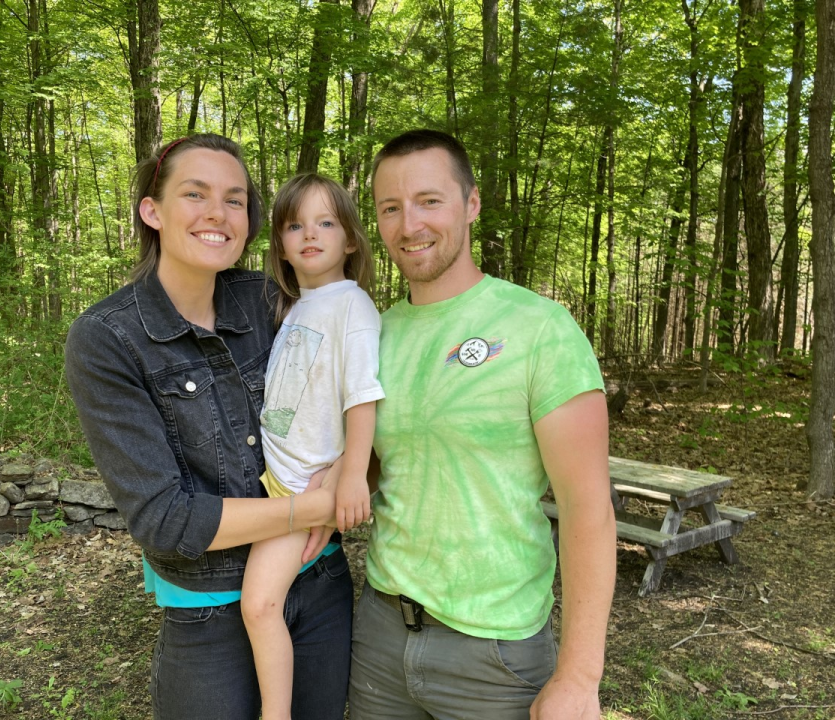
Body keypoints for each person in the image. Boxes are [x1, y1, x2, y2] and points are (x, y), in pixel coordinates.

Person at [64, 134, 352, 720]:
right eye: (195, 194)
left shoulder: (272, 300)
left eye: (235, 199)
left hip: (319, 585)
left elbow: (354, 392)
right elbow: (166, 520)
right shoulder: (108, 339)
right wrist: (317, 507)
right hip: (210, 608)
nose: (218, 213)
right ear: (152, 210)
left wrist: (346, 468)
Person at [348, 129, 616, 720]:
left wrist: (578, 676)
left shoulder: (539, 328)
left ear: (471, 205)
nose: (408, 223)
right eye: (390, 208)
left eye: (429, 201)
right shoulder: (371, 333)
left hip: (497, 654)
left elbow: (587, 506)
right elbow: (366, 472)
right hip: (381, 636)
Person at [240, 173, 384, 720]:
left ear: (350, 239)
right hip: (276, 481)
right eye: (295, 225)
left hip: (300, 487)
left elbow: (363, 396)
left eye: (326, 222)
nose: (310, 234)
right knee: (259, 603)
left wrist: (350, 473)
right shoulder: (297, 306)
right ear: (279, 242)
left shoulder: (352, 306)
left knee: (258, 604)